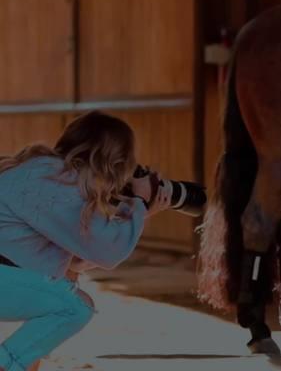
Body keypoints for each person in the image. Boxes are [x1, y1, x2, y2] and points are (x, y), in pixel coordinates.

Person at [0, 110, 171, 371]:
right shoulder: (57, 183)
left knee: (66, 282)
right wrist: (138, 205)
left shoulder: (43, 171)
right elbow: (107, 251)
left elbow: (77, 259)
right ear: (112, 162)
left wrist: (139, 212)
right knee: (76, 307)